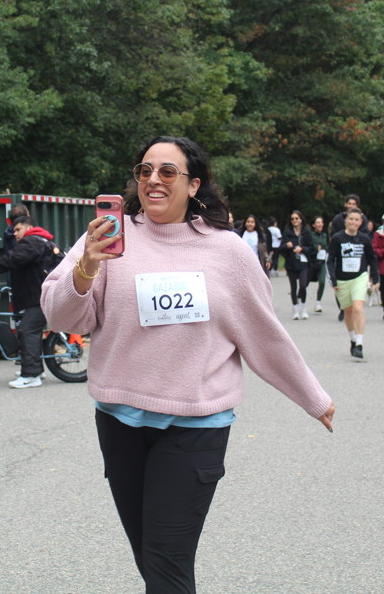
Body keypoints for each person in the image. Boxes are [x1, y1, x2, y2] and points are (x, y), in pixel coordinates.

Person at [41, 136, 334, 592]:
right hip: (120, 422)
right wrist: (86, 268)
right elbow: (60, 318)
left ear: (194, 184)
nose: (153, 180)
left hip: (196, 425)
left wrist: (312, 397)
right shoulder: (107, 238)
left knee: (166, 563)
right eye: (145, 171)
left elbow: (262, 331)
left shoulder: (228, 251)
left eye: (167, 171)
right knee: (149, 556)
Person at [0, 215, 56, 389]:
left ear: (28, 228)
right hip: (40, 296)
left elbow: (11, 259)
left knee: (27, 330)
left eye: (18, 229)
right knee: (31, 330)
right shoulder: (42, 240)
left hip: (39, 298)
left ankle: (30, 375)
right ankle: (37, 370)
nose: (14, 234)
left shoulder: (31, 242)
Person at [327, 208, 379, 360]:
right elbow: (330, 260)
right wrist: (333, 279)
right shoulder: (337, 238)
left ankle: (359, 344)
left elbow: (372, 258)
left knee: (357, 308)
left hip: (359, 277)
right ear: (346, 220)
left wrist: (375, 278)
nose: (353, 222)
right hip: (342, 280)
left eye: (356, 220)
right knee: (348, 311)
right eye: (351, 219)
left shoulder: (364, 239)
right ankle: (353, 339)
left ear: (360, 222)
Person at [281, 211, 313, 319]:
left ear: (301, 220)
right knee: (293, 287)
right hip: (291, 263)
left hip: (303, 263)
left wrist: (302, 249)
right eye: (292, 219)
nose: (294, 220)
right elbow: (281, 249)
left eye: (296, 218)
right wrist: (287, 246)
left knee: (303, 285)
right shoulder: (287, 233)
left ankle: (303, 308)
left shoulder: (306, 233)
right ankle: (295, 309)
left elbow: (311, 249)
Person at [309, 215, 330, 313]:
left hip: (322, 261)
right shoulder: (310, 235)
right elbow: (307, 246)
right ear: (313, 225)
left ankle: (318, 303)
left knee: (322, 282)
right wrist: (315, 247)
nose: (320, 224)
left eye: (321, 222)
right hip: (312, 262)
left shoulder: (324, 235)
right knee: (304, 284)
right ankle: (300, 299)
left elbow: (326, 246)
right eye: (318, 222)